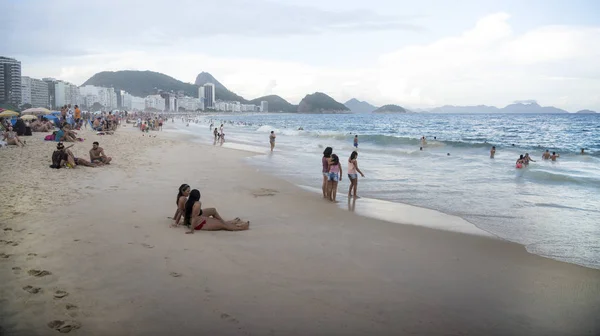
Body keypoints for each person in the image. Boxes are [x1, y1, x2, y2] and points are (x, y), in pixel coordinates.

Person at [183, 189, 249, 233]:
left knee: (213, 211)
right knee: (222, 225)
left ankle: (228, 222)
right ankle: (241, 228)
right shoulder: (197, 204)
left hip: (197, 220)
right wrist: (192, 230)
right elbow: (194, 217)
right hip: (198, 223)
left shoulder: (189, 202)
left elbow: (187, 214)